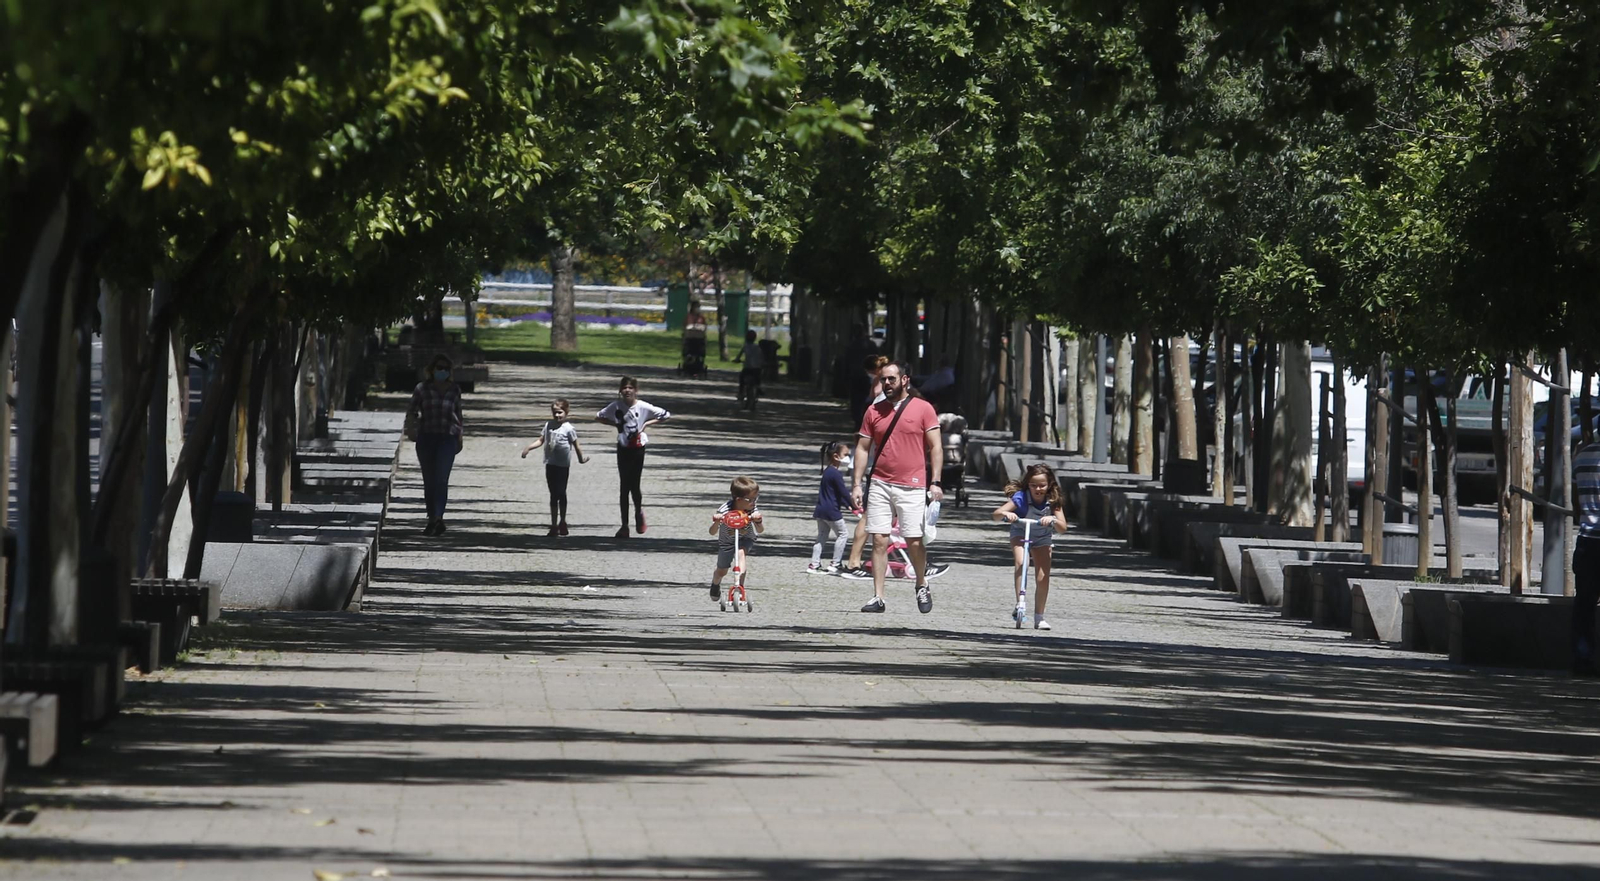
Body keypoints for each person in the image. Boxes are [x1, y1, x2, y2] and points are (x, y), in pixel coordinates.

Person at [850, 361, 943, 613]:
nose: (886, 384)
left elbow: (935, 446)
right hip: (880, 482)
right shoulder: (874, 411)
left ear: (905, 380)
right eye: (883, 380)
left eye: (891, 379)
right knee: (879, 539)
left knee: (914, 540)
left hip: (912, 484)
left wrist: (935, 481)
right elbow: (862, 447)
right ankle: (878, 597)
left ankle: (921, 584)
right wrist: (857, 484)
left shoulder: (923, 409)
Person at [992, 463, 1068, 630]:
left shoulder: (1053, 500)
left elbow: (1063, 527)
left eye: (1042, 485)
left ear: (1049, 485)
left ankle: (1039, 616)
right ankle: (1020, 603)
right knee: (1022, 562)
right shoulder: (1021, 497)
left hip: (1042, 537)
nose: (1038, 489)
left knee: (1043, 576)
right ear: (1028, 485)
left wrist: (1054, 520)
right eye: (1033, 485)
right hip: (1021, 532)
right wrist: (1007, 514)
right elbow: (996, 515)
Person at [596, 376, 672, 538]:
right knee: (624, 486)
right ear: (620, 390)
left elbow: (665, 415)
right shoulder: (615, 406)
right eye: (624, 388)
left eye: (631, 388)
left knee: (634, 484)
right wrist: (615, 424)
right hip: (623, 447)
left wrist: (646, 424)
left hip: (638, 448)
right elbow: (599, 416)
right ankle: (624, 525)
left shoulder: (643, 406)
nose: (627, 390)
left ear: (636, 390)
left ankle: (638, 512)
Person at [406, 354, 464, 536]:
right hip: (427, 437)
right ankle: (432, 518)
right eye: (439, 368)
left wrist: (460, 437)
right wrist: (411, 429)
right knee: (429, 480)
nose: (443, 371)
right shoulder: (422, 389)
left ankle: (438, 518)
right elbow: (412, 411)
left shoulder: (454, 389)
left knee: (441, 479)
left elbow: (458, 415)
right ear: (432, 370)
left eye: (446, 369)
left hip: (447, 438)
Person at [521, 399, 590, 536]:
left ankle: (562, 521)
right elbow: (541, 440)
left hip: (563, 465)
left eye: (560, 412)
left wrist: (581, 459)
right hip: (550, 463)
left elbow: (576, 445)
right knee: (553, 494)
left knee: (561, 492)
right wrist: (528, 448)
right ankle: (553, 525)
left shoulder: (569, 429)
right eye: (555, 413)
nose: (557, 415)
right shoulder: (548, 425)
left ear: (566, 412)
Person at [709, 476, 765, 600]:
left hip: (746, 538)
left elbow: (760, 530)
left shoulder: (751, 509)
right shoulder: (725, 510)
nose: (754, 502)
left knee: (741, 553)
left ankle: (739, 586)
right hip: (727, 542)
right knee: (722, 570)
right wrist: (717, 521)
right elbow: (712, 532)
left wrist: (758, 521)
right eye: (750, 499)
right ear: (738, 499)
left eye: (756, 498)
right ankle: (715, 583)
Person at [1573, 439, 1600, 676]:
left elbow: (1576, 498)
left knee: (1584, 605)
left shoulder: (1582, 457)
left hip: (1586, 540)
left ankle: (1583, 659)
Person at [808, 442, 853, 575]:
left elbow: (837, 493)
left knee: (821, 536)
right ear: (836, 456)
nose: (848, 458)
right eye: (845, 455)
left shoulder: (828, 471)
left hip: (821, 509)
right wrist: (853, 504)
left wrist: (847, 504)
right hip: (831, 511)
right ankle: (835, 563)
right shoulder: (835, 474)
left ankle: (814, 564)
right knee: (843, 534)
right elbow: (843, 492)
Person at [734, 329, 765, 406]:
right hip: (757, 369)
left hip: (747, 368)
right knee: (758, 377)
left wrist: (737, 360)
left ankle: (741, 393)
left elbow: (738, 356)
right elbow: (762, 357)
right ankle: (758, 387)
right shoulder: (758, 347)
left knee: (742, 378)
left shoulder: (745, 347)